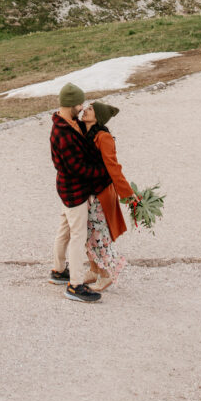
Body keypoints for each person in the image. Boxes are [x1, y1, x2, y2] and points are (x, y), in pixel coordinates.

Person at [49, 82, 112, 303]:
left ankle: (58, 271)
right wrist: (103, 173)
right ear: (70, 104)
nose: (82, 107)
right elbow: (78, 168)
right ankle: (75, 285)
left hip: (68, 188)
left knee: (65, 230)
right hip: (73, 191)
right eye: (79, 103)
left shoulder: (70, 122)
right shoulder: (62, 133)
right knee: (78, 237)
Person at [80, 101, 138, 291]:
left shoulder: (103, 137)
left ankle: (106, 275)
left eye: (90, 109)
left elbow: (113, 167)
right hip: (87, 193)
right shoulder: (84, 132)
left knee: (98, 234)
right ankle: (94, 269)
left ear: (97, 117)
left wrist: (129, 195)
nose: (85, 110)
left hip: (99, 194)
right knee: (87, 232)